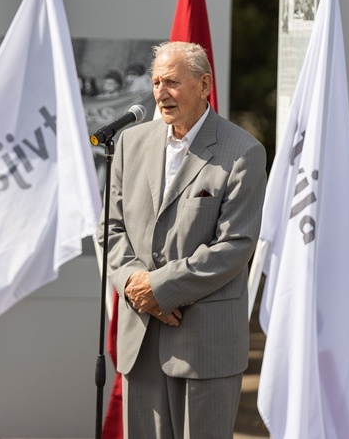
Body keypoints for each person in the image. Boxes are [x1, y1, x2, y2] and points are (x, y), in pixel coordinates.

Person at [98, 41, 267, 438]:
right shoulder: (130, 142)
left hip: (204, 344)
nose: (160, 92)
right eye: (156, 81)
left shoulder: (243, 151)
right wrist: (133, 285)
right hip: (140, 339)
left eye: (172, 82)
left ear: (204, 84)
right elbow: (109, 227)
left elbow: (236, 245)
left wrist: (158, 288)